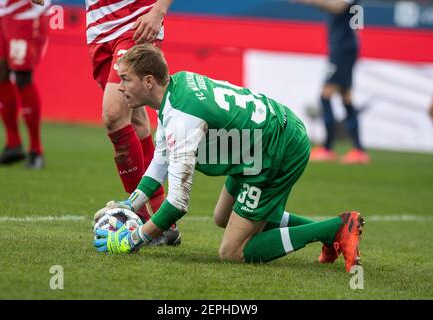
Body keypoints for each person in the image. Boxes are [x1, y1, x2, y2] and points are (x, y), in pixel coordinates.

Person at [93, 44, 365, 272]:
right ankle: (330, 233)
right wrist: (132, 202)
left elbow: (177, 202)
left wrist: (134, 239)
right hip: (255, 144)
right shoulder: (176, 87)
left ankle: (334, 229)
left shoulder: (182, 118)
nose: (120, 87)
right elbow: (162, 157)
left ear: (149, 81)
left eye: (126, 79)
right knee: (222, 217)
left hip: (275, 149)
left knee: (232, 251)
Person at [31, 0, 173, 223]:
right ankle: (166, 225)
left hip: (136, 23)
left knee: (114, 114)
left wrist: (158, 10)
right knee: (135, 122)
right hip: (99, 32)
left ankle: (141, 218)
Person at [295, 0, 370, 164]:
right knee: (346, 98)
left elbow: (337, 6)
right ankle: (358, 150)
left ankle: (327, 148)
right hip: (344, 47)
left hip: (343, 49)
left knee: (325, 96)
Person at [0, 0, 51, 169]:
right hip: (3, 13)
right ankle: (13, 145)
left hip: (27, 15)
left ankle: (36, 150)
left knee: (23, 77)